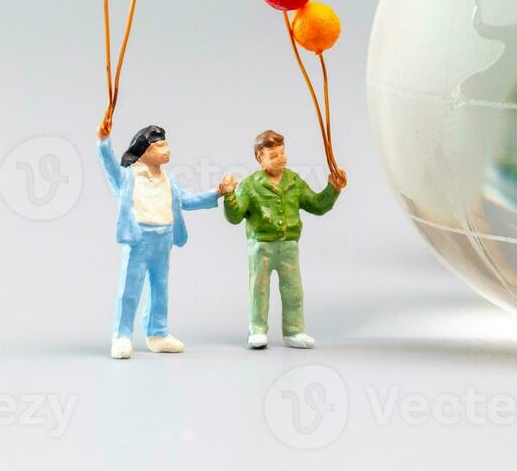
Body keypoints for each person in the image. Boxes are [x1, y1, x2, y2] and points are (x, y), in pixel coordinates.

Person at [95, 118, 234, 360]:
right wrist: (104, 141)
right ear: (145, 152)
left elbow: (187, 200)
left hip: (163, 239)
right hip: (139, 239)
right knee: (129, 290)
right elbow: (109, 166)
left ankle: (157, 333)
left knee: (160, 289)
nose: (166, 150)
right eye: (160, 147)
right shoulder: (128, 177)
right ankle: (122, 336)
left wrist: (217, 192)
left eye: (165, 145)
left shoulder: (169, 180)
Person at [223, 130, 344, 349]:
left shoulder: (293, 181)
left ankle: (294, 330)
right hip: (261, 246)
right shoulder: (250, 185)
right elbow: (235, 216)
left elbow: (317, 205)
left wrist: (333, 188)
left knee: (294, 290)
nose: (282, 159)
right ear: (260, 158)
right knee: (259, 289)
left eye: (283, 153)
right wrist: (230, 195)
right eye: (274, 155)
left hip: (289, 245)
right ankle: (257, 330)